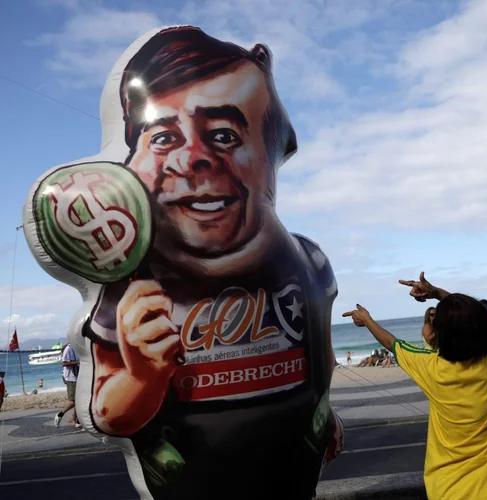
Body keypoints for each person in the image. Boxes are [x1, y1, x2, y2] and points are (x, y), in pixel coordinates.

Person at [78, 27, 342, 498]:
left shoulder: (308, 263)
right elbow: (108, 415)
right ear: (130, 159)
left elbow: (319, 365)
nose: (194, 159)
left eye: (224, 134)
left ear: (272, 152)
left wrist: (325, 415)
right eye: (162, 138)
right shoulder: (132, 284)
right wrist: (142, 376)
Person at [341, 272, 487, 499]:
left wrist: (367, 320)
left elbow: (392, 344)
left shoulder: (432, 368)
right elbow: (477, 316)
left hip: (453, 491)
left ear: (440, 333)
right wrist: (435, 292)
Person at [55, 343, 80, 428]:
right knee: (75, 400)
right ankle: (60, 414)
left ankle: (77, 421)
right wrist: (78, 362)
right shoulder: (69, 348)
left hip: (77, 376)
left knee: (78, 400)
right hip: (71, 377)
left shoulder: (78, 347)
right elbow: (64, 363)